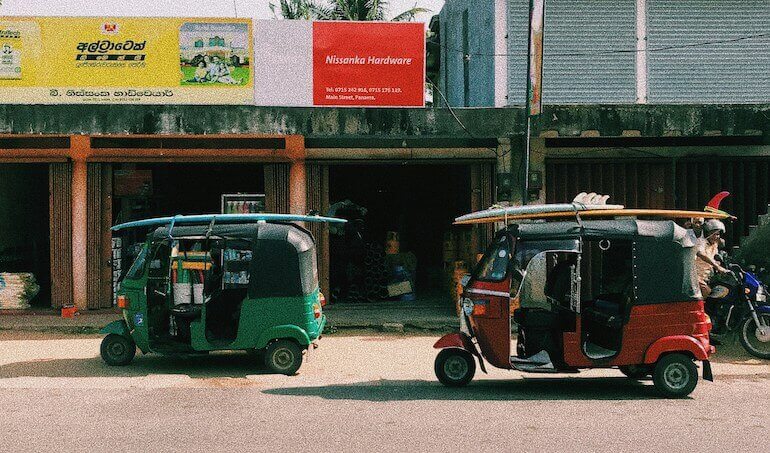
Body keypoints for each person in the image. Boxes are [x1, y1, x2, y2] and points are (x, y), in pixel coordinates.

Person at [696, 219, 729, 297]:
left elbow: (715, 256)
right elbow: (701, 254)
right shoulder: (701, 242)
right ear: (707, 233)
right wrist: (717, 267)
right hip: (696, 277)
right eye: (713, 234)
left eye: (717, 234)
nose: (716, 236)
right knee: (708, 294)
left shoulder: (714, 244)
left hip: (707, 277)